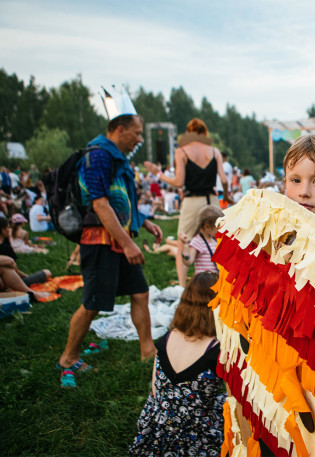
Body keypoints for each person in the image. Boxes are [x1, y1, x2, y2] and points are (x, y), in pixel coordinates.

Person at [57, 113, 163, 388]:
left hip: (118, 240)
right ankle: (68, 357)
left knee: (140, 292)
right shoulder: (99, 156)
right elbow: (101, 204)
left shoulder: (115, 157)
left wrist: (145, 222)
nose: (140, 139)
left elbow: (121, 200)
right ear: (119, 130)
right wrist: (128, 244)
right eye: (137, 133)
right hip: (100, 243)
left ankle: (148, 350)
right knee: (92, 303)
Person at [129, 271, 226, 456]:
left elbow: (155, 391)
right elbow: (234, 401)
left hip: (156, 430)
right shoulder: (216, 349)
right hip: (195, 435)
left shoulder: (168, 337)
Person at [144, 118, 232, 286]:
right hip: (212, 200)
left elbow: (178, 182)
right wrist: (226, 196)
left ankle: (183, 288)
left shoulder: (182, 151)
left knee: (183, 240)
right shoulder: (215, 151)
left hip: (192, 201)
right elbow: (224, 179)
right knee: (220, 242)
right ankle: (224, 284)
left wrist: (158, 174)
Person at [0, 218, 51, 299]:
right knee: (47, 272)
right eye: (7, 227)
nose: (9, 229)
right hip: (14, 282)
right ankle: (31, 293)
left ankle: (31, 293)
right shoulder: (7, 246)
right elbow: (13, 265)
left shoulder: (8, 241)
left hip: (10, 282)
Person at [179, 205, 223, 274]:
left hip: (215, 280)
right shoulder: (198, 241)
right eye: (218, 227)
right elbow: (188, 262)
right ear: (207, 226)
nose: (221, 230)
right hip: (204, 282)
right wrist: (185, 245)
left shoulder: (215, 240)